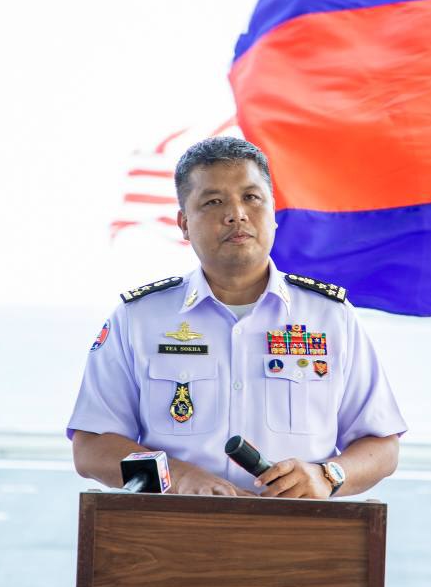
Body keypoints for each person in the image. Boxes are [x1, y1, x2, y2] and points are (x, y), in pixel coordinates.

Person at [68, 136, 407, 497]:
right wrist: (177, 477)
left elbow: (381, 445)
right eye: (213, 201)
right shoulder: (138, 319)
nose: (237, 214)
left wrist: (328, 475)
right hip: (175, 525)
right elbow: (92, 448)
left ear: (273, 213)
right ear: (184, 223)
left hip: (299, 526)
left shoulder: (330, 317)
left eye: (251, 197)